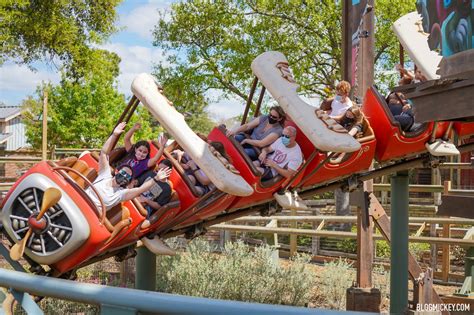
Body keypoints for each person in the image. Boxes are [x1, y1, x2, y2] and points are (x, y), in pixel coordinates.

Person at [85, 122, 172, 212]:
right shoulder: (105, 175)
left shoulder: (121, 193)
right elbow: (104, 153)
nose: (141, 154)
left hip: (94, 212)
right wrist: (115, 134)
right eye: (123, 173)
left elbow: (140, 189)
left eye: (127, 176)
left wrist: (156, 178)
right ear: (117, 172)